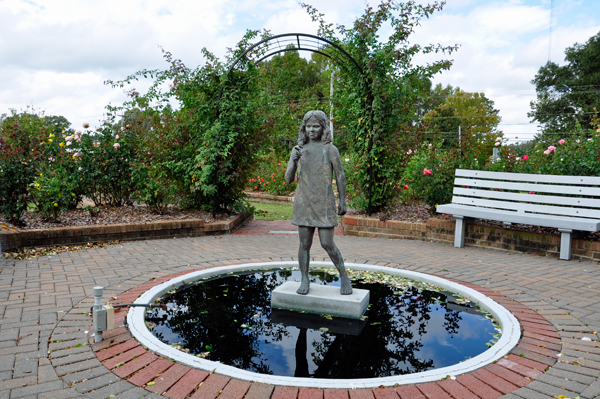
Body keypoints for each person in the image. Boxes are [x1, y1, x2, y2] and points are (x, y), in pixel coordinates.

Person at [285, 110, 352, 295]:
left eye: (316, 126)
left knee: (327, 243)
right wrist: (293, 160)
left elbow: (340, 175)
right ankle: (305, 278)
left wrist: (343, 200)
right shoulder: (298, 150)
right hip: (304, 202)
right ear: (304, 128)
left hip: (324, 202)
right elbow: (288, 179)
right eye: (309, 126)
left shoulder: (330, 149)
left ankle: (344, 277)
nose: (312, 130)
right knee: (304, 244)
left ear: (323, 128)